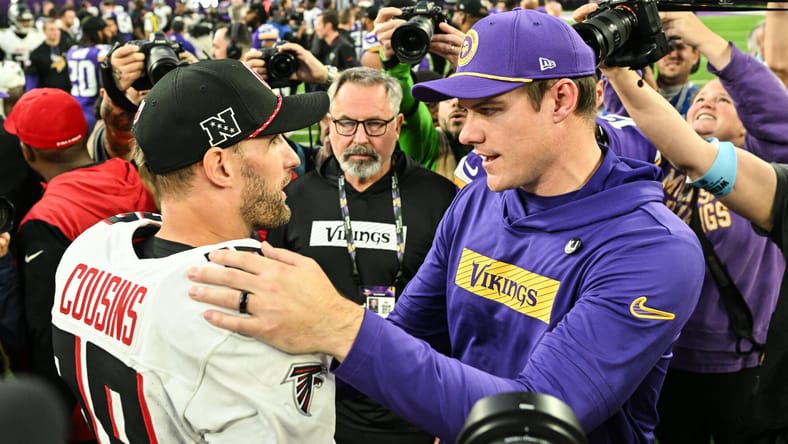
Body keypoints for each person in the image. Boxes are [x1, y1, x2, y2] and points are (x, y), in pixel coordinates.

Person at [186, 10, 706, 443]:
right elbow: (410, 331)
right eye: (464, 110)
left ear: (562, 99)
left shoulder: (653, 250)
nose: (468, 133)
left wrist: (338, 324)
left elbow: (535, 419)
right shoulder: (479, 198)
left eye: (490, 110)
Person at [50, 58, 336, 442]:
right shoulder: (248, 315)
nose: (292, 158)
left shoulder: (90, 250)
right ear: (220, 166)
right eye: (273, 140)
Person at [592, 8, 788, 442]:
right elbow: (630, 115)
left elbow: (777, 113)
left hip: (736, 361)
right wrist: (614, 58)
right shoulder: (657, 160)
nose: (707, 101)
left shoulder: (762, 164)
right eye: (701, 99)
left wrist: (707, 41)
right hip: (663, 351)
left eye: (724, 100)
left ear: (748, 127)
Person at [265, 66, 456, 444]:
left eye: (375, 125)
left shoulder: (441, 199)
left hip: (414, 410)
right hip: (315, 408)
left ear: (398, 125)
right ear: (328, 124)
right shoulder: (293, 200)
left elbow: (457, 312)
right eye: (347, 124)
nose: (360, 138)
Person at [5, 88, 157, 442]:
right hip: (151, 375)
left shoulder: (44, 221)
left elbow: (44, 337)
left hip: (90, 407)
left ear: (27, 151)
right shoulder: (134, 177)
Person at [374, 6, 473, 180]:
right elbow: (406, 104)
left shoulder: (503, 141)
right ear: (436, 110)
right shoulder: (426, 142)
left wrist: (477, 66)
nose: (456, 102)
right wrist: (394, 64)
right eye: (447, 96)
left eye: (463, 94)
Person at [67, 15, 112, 133]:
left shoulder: (72, 51)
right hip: (94, 109)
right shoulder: (101, 51)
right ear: (99, 33)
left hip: (74, 107)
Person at [25, 17, 73, 92]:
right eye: (51, 29)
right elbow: (32, 78)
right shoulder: (37, 53)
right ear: (44, 31)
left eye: (58, 29)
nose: (56, 32)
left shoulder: (69, 48)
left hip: (68, 92)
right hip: (47, 93)